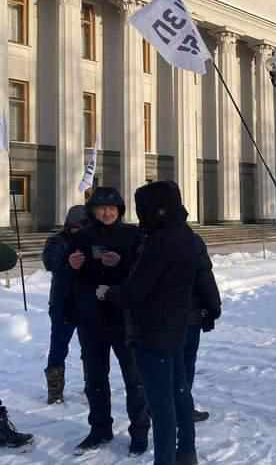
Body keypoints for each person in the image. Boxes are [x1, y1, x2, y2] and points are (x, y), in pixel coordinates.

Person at [102, 181, 197, 465]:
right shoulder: (185, 234)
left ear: (155, 209)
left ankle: (166, 459)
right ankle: (187, 452)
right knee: (180, 394)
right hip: (176, 327)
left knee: (161, 405)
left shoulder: (160, 241)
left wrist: (109, 292)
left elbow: (136, 291)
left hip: (153, 332)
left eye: (141, 209)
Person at [68, 187, 150, 456]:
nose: (107, 212)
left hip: (124, 318)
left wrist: (123, 262)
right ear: (92, 210)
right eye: (101, 208)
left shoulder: (133, 235)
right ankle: (99, 428)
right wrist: (71, 263)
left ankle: (139, 431)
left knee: (134, 379)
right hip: (91, 318)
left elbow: (145, 271)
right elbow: (62, 270)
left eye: (112, 207)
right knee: (95, 379)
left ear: (120, 210)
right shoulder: (82, 236)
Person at [42, 205, 88, 404]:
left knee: (90, 349)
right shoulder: (57, 241)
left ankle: (92, 385)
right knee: (59, 347)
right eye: (76, 226)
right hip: (63, 303)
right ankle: (55, 390)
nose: (79, 230)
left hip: (87, 303)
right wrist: (68, 262)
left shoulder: (91, 240)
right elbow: (50, 263)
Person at [185, 231, 222, 423]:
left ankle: (157, 406)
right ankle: (183, 408)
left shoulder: (145, 237)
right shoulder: (191, 240)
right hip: (187, 316)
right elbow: (204, 278)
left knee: (163, 367)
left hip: (156, 320)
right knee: (185, 365)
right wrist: (213, 308)